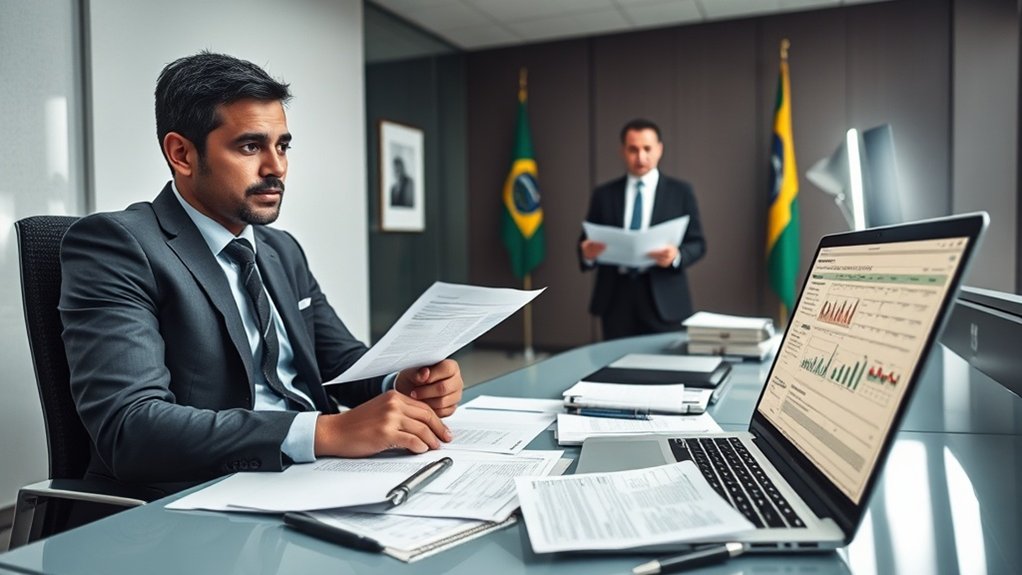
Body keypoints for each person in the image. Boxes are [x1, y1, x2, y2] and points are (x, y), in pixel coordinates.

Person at [59, 51, 463, 497]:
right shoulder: (117, 246)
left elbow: (340, 361)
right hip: (206, 493)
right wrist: (323, 433)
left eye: (283, 146)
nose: (277, 168)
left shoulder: (280, 250)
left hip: (325, 476)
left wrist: (400, 383)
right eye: (250, 146)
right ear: (182, 154)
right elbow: (131, 428)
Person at [578, 118, 706, 340]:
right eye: (633, 149)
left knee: (667, 371)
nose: (641, 157)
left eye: (647, 149)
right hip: (615, 298)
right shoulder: (604, 194)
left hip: (664, 297)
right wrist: (587, 254)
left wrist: (676, 256)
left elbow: (698, 243)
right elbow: (585, 241)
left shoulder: (681, 192)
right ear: (622, 151)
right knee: (615, 369)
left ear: (659, 149)